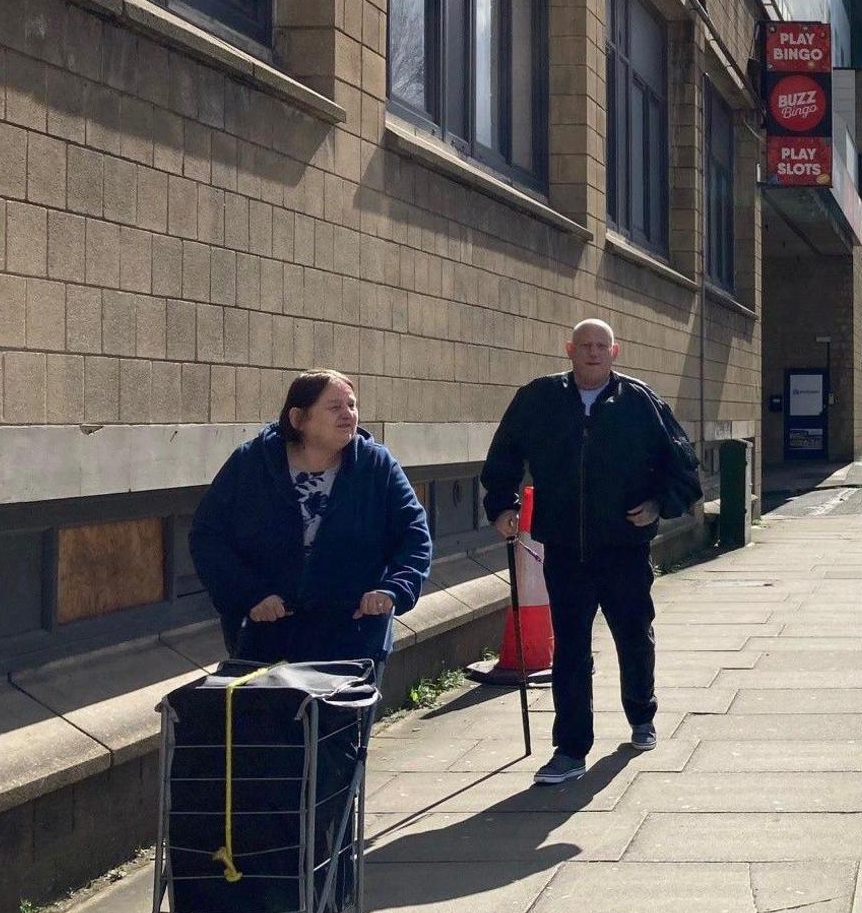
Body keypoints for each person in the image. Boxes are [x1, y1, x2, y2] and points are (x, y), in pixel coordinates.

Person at [481, 319, 702, 785]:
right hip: (565, 547)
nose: (594, 352)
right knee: (572, 650)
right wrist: (502, 505)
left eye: (602, 345)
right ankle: (570, 749)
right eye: (585, 345)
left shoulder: (640, 401)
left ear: (615, 351)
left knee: (634, 635)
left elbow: (681, 461)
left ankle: (642, 714)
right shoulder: (538, 398)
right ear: (569, 349)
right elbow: (504, 454)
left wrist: (661, 503)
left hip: (624, 546)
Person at [191, 370, 432, 675]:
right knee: (267, 722)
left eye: (352, 405)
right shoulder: (251, 463)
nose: (348, 415)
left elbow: (415, 536)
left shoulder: (376, 465)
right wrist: (248, 595)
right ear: (298, 418)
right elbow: (207, 536)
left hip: (351, 637)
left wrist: (392, 590)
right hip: (266, 636)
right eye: (335, 407)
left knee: (339, 723)